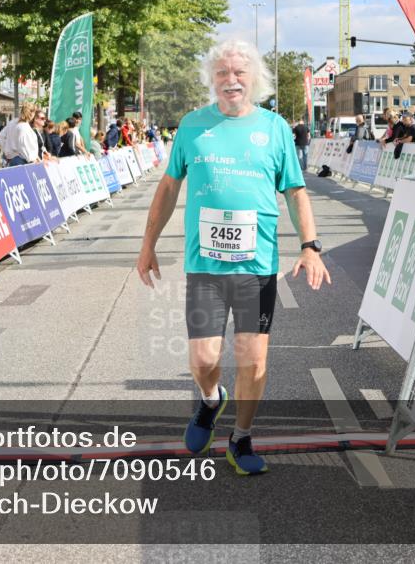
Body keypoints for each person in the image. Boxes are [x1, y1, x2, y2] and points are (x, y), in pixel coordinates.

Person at [136, 39, 331, 476]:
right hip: (204, 265)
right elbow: (168, 187)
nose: (231, 80)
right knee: (204, 360)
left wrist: (309, 245)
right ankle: (210, 400)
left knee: (252, 358)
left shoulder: (275, 127)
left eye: (239, 72)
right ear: (212, 79)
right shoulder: (191, 126)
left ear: (254, 78)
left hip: (255, 267)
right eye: (222, 73)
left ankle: (240, 438)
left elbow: (295, 191)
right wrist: (148, 244)